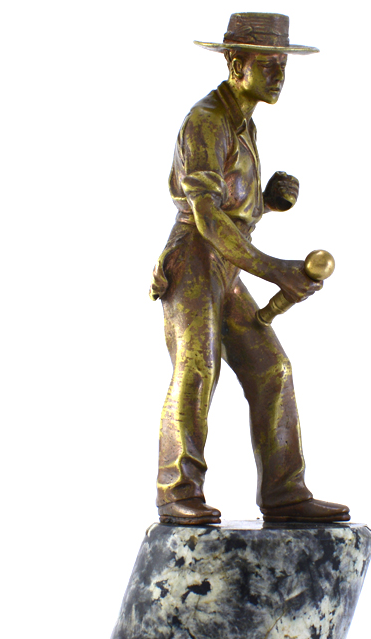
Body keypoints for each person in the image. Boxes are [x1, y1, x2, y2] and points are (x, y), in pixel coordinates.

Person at [149, 13, 350, 525]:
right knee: (197, 368)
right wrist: (275, 270)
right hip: (194, 262)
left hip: (225, 263)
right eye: (268, 64)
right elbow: (206, 217)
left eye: (283, 64)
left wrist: (267, 201)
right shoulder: (206, 121)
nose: (279, 74)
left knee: (272, 368)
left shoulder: (243, 122)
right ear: (236, 64)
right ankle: (176, 492)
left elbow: (232, 208)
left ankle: (285, 494)